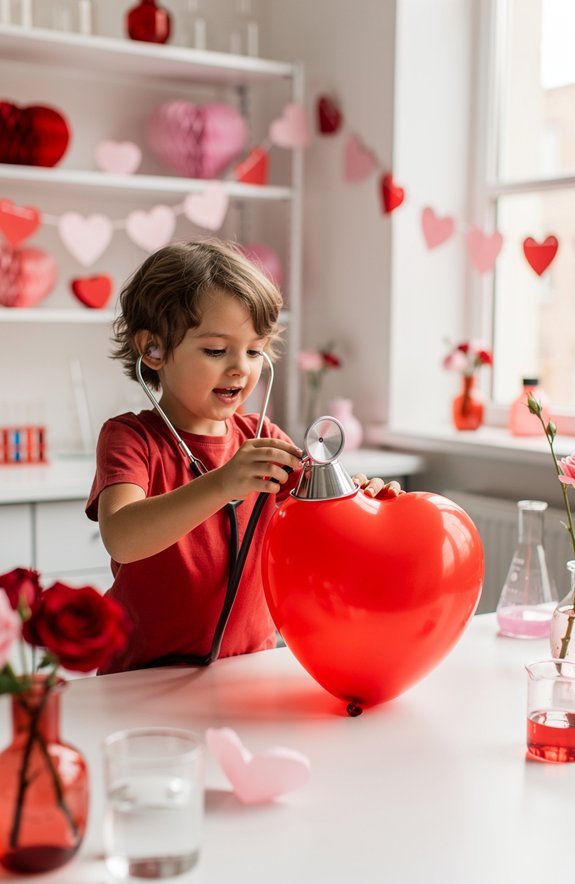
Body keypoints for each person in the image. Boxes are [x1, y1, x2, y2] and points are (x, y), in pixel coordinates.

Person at [86, 239, 400, 674]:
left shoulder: (262, 438)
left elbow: (325, 529)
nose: (240, 367)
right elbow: (122, 537)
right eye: (216, 350)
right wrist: (221, 483)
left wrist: (362, 503)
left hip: (247, 671)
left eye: (254, 350)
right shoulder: (131, 438)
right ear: (153, 350)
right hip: (142, 678)